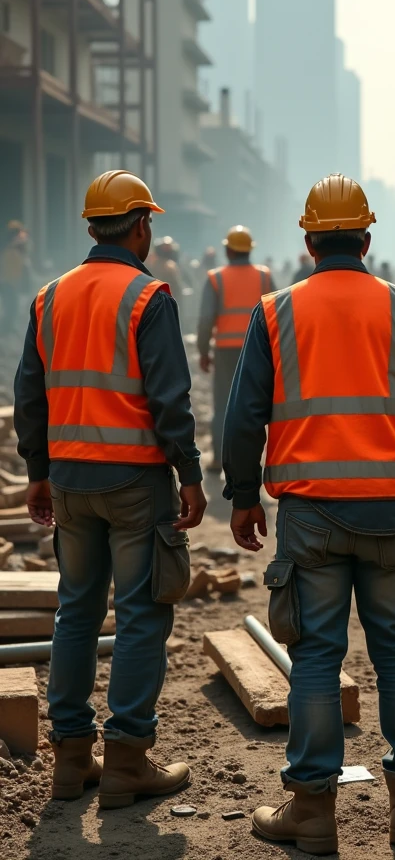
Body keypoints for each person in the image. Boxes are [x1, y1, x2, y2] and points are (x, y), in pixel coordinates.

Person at [224, 174, 395, 854]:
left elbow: (244, 415)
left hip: (309, 515)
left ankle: (312, 813)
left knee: (316, 661)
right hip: (390, 511)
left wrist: (243, 496)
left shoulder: (275, 312)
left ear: (307, 241)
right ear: (366, 236)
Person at [13, 169, 207, 808]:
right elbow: (169, 399)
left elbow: (29, 394)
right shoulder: (148, 297)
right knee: (143, 616)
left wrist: (38, 472)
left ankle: (71, 761)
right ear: (142, 225)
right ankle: (126, 762)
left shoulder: (50, 296)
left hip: (69, 480)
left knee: (76, 611)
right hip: (133, 482)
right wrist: (190, 475)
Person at [197, 226, 274, 471]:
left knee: (222, 405)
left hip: (226, 351)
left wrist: (203, 351)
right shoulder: (264, 277)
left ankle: (220, 459)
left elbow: (206, 319)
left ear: (228, 251)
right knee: (254, 405)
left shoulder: (215, 278)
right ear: (249, 251)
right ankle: (250, 463)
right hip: (258, 350)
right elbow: (276, 313)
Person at [0, 220, 31, 334]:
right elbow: (8, 271)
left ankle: (8, 329)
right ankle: (5, 331)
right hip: (8, 284)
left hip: (12, 284)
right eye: (20, 233)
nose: (23, 236)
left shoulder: (16, 251)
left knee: (13, 308)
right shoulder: (9, 251)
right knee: (11, 308)